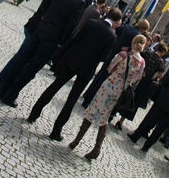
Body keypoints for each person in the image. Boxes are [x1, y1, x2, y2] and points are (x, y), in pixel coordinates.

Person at [0, 0, 94, 106]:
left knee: (23, 60)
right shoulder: (80, 2)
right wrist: (61, 43)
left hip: (41, 29)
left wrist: (45, 18)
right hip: (52, 39)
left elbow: (46, 1)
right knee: (31, 68)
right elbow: (71, 25)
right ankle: (9, 96)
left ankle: (3, 90)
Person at [28, 13, 120, 141]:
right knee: (72, 100)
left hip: (73, 59)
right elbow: (103, 57)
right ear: (116, 21)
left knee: (54, 86)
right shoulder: (112, 36)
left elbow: (77, 38)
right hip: (87, 68)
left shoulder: (91, 22)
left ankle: (34, 113)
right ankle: (56, 130)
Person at [68, 35, 146, 160]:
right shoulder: (142, 63)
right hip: (120, 91)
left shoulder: (123, 55)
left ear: (132, 42)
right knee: (105, 116)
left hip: (109, 85)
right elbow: (136, 79)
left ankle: (76, 140)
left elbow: (110, 67)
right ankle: (97, 148)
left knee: (93, 109)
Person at [128, 59, 169, 152]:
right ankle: (146, 146)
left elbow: (163, 82)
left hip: (162, 101)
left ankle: (135, 136)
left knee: (148, 119)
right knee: (159, 129)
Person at [113, 39, 167, 129]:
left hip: (137, 75)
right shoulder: (160, 62)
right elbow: (160, 75)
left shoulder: (147, 52)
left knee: (125, 93)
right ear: (163, 51)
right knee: (134, 100)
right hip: (146, 82)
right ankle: (121, 121)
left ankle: (114, 112)